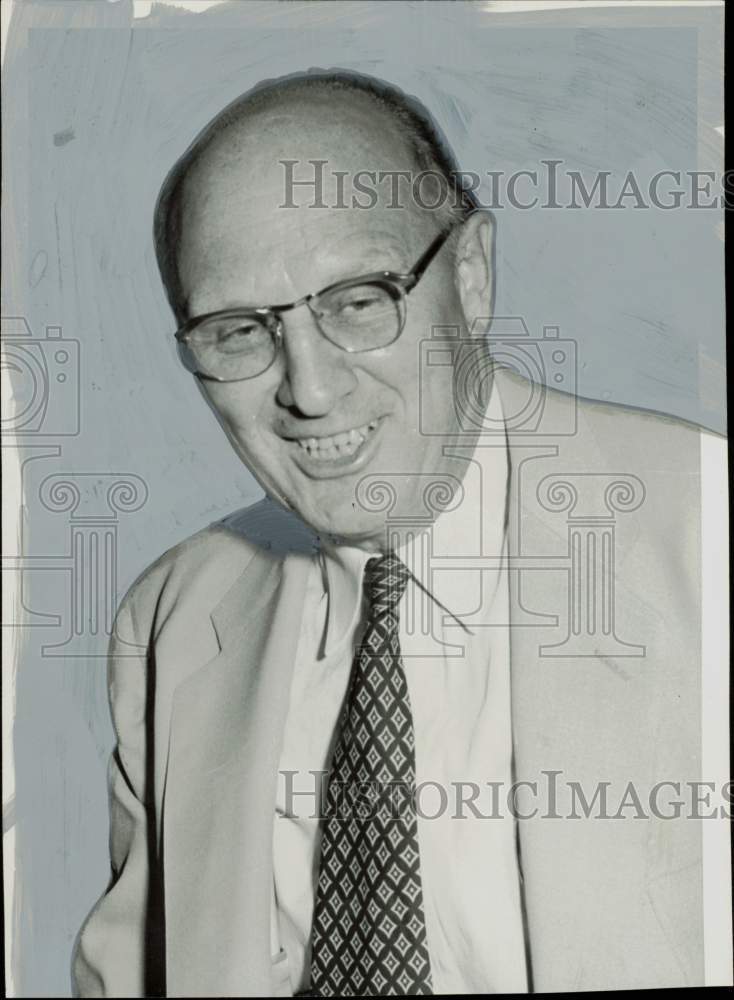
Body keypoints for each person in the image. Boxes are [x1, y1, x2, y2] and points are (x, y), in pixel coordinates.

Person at [73, 70, 719, 997]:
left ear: (471, 277)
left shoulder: (709, 537)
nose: (310, 388)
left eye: (359, 301)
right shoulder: (172, 621)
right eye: (237, 331)